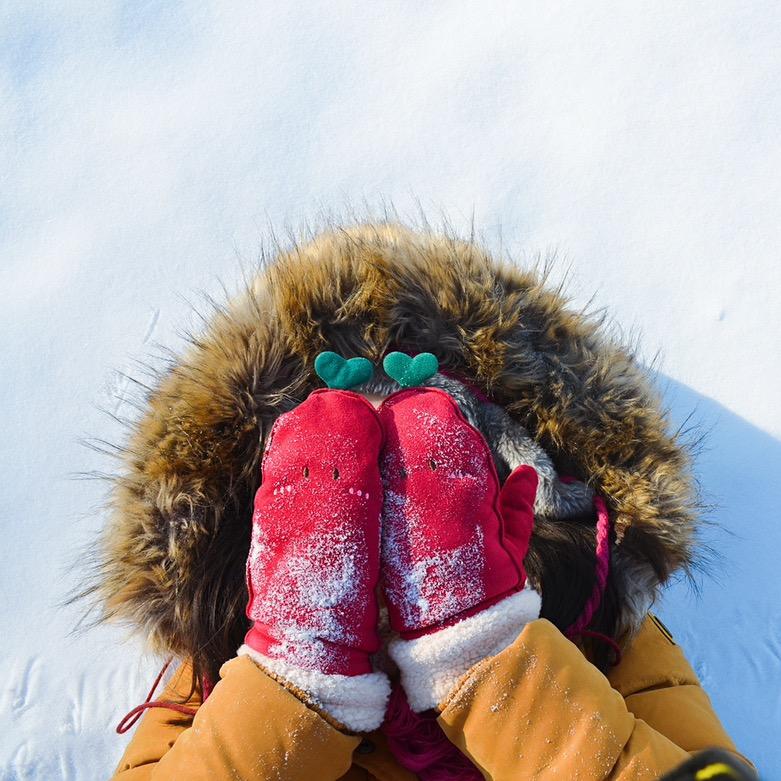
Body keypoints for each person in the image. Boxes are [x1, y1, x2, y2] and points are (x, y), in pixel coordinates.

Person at [89, 222, 755, 779]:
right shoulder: (217, 665)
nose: (385, 530)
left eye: (425, 483)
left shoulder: (605, 638)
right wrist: (293, 672)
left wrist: (489, 654)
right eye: (347, 494)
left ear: (523, 493)